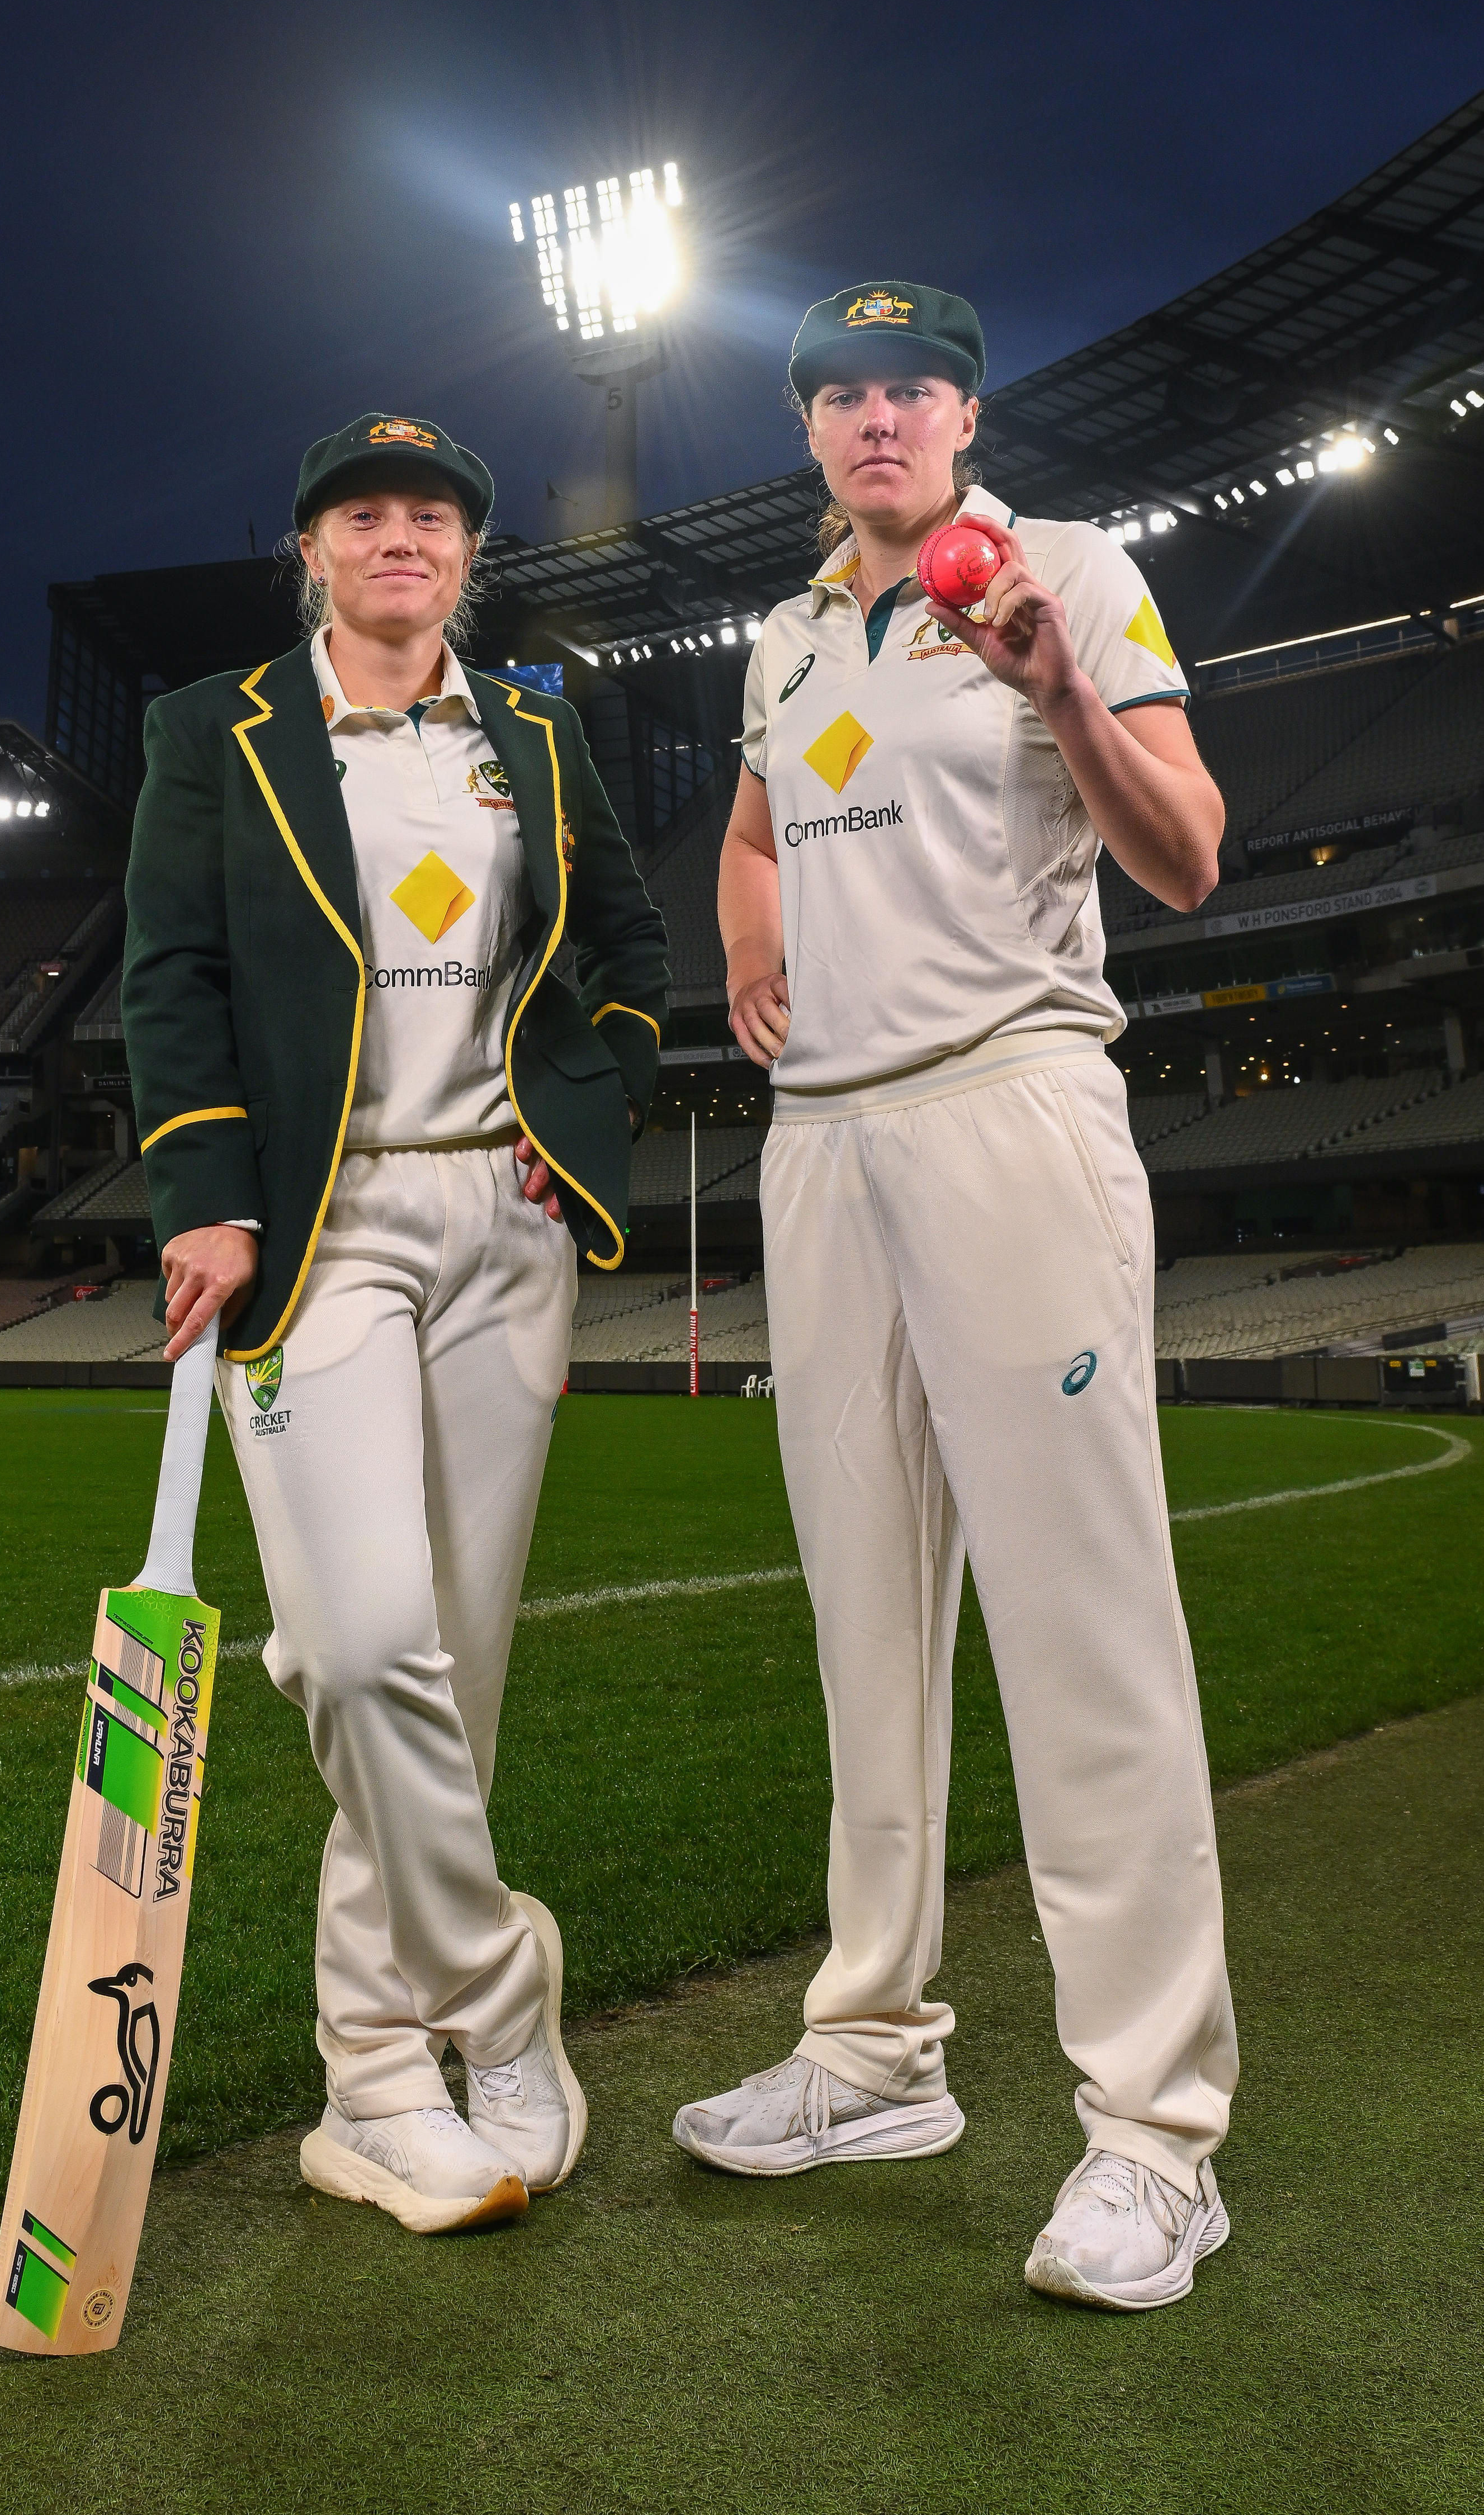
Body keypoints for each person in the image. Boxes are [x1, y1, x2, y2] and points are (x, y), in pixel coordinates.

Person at [671, 282, 1238, 2313]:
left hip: (1011, 1109)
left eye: (909, 384)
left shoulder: (1074, 570)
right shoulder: (788, 630)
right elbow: (752, 826)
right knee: (867, 1621)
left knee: (1084, 1627)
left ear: (967, 411)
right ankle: (872, 2052)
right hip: (822, 1150)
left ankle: (1155, 2136)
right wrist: (751, 939)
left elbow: (1187, 859)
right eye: (838, 390)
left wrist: (1059, 690)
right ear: (812, 431)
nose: (874, 415)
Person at [122, 410, 667, 2235]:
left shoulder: (531, 726)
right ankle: (504, 1999)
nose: (402, 541)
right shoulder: (215, 731)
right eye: (366, 517)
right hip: (321, 1226)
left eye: (432, 518)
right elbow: (170, 967)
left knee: (459, 1673)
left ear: (468, 555)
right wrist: (203, 1188)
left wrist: (583, 1111)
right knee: (361, 1655)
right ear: (313, 552)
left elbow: (627, 949)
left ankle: (375, 2090)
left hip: (501, 1226)